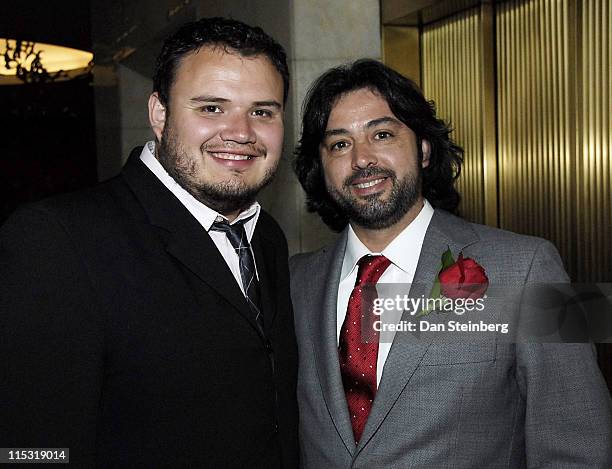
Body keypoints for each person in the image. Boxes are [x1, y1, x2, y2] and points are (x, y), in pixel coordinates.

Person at [0, 17, 298, 468]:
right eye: (211, 108)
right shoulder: (58, 239)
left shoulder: (266, 236)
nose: (241, 132)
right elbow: (31, 449)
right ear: (159, 114)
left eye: (262, 111)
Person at [291, 59, 612, 468]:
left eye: (383, 134)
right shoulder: (295, 281)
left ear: (423, 149)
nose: (361, 159)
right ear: (321, 166)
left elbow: (580, 445)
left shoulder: (531, 264)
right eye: (339, 144)